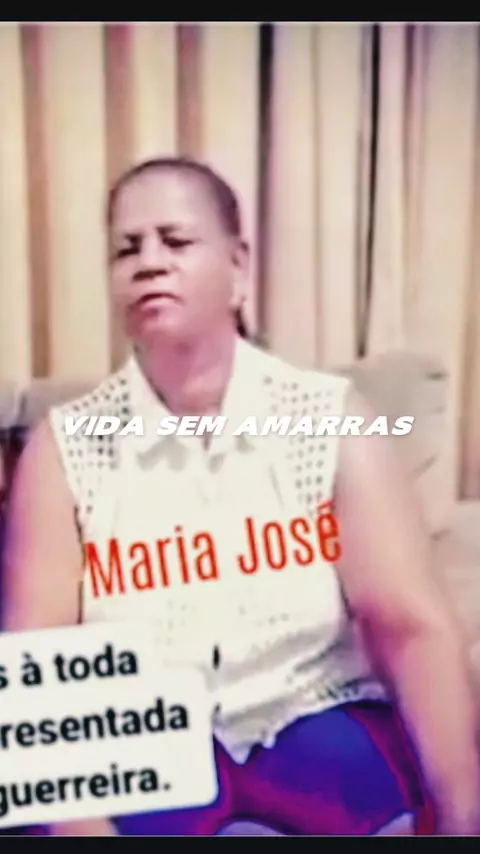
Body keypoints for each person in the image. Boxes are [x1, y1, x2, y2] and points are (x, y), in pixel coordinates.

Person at [2, 156, 480, 837]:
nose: (149, 262)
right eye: (127, 249)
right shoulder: (65, 447)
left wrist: (465, 814)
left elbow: (409, 625)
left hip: (313, 709)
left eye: (176, 241)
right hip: (142, 731)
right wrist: (80, 826)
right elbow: (38, 667)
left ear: (238, 268)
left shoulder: (331, 419)